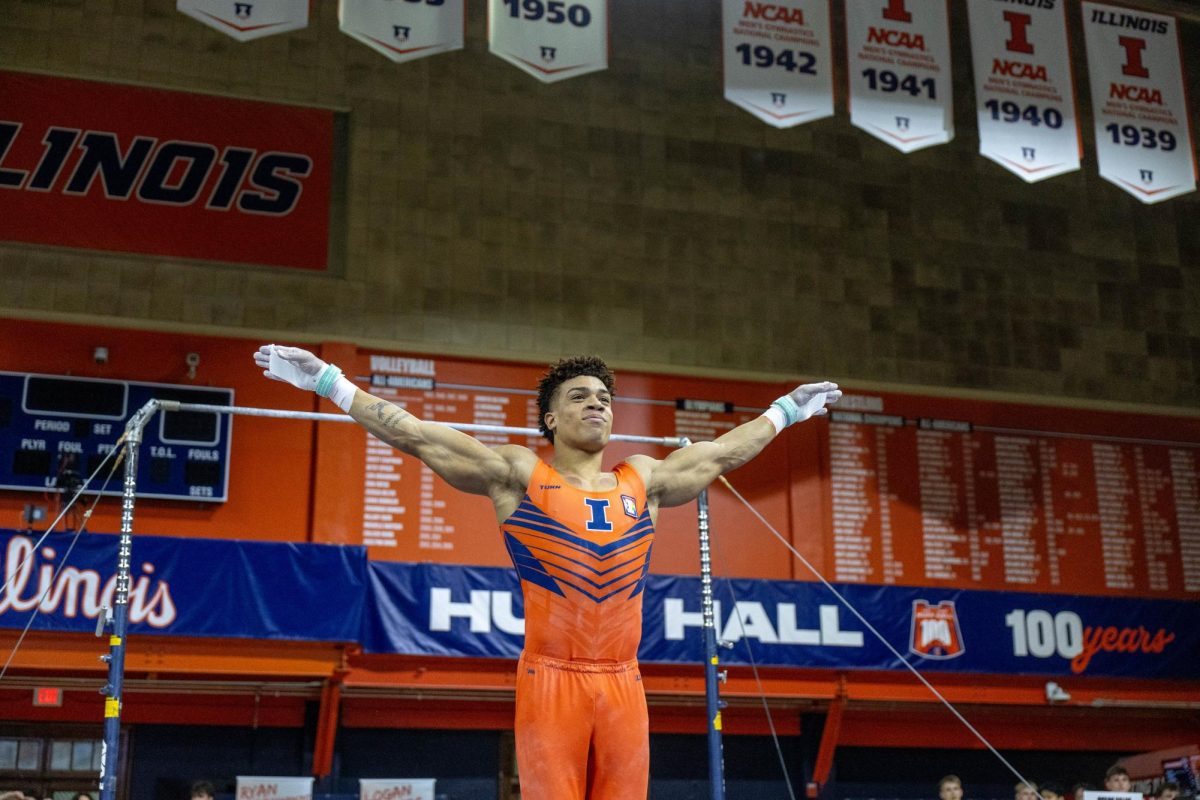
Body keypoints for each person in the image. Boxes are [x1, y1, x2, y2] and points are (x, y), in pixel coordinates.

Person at [254, 345, 840, 800]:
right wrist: (329, 381)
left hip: (623, 682)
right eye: (581, 396)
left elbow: (721, 453)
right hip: (551, 680)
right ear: (551, 419)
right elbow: (413, 434)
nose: (598, 405)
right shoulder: (519, 476)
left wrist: (785, 411)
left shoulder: (643, 478)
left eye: (605, 399)